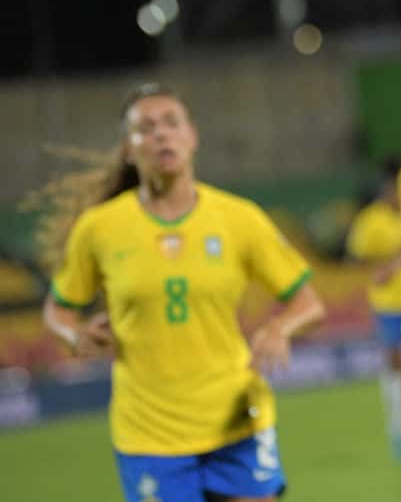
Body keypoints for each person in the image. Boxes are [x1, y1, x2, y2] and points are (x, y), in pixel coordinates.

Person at [38, 83, 326, 502]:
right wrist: (73, 334)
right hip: (149, 434)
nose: (160, 134)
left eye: (171, 123)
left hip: (236, 420)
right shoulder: (98, 229)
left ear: (192, 136)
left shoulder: (239, 218)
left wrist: (280, 328)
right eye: (146, 127)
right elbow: (58, 310)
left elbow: (309, 304)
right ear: (128, 149)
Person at [344, 157, 401, 461]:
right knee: (395, 364)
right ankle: (398, 428)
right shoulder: (371, 221)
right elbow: (356, 258)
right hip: (388, 304)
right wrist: (381, 268)